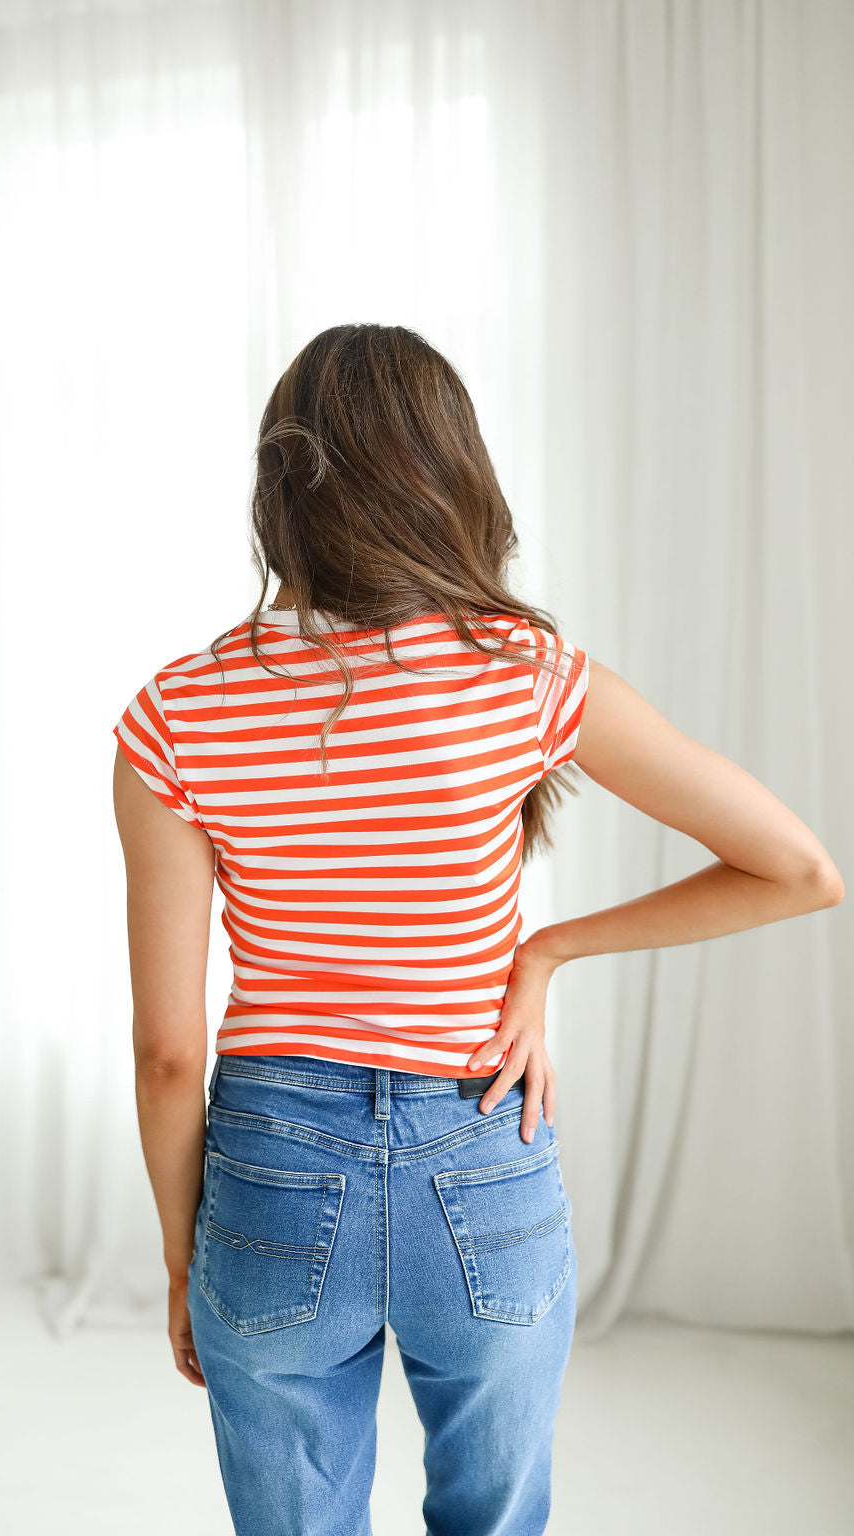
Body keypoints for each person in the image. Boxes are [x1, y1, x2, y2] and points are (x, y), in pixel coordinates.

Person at [110, 324, 843, 1536]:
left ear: (277, 488)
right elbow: (800, 868)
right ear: (450, 477)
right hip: (483, 1155)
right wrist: (543, 952)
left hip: (272, 1173)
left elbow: (168, 1054)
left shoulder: (175, 716)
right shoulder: (523, 675)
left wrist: (193, 1260)